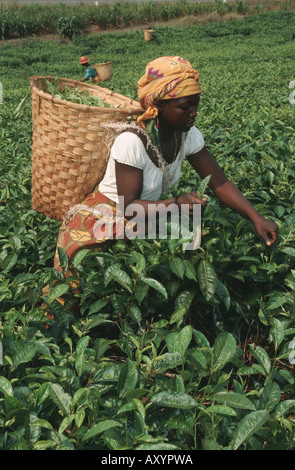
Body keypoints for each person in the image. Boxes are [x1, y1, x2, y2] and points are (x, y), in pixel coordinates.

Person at [53, 55, 278, 281]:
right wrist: (177, 204)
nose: (194, 112)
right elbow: (129, 207)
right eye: (184, 106)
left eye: (196, 104)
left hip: (138, 226)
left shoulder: (187, 135)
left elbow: (219, 183)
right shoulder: (132, 141)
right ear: (158, 105)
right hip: (98, 230)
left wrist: (255, 217)